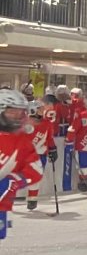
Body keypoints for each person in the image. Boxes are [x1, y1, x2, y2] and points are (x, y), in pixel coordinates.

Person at [0, 89, 41, 242]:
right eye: (12, 111)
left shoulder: (22, 140)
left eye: (20, 112)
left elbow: (35, 169)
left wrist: (16, 180)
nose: (17, 116)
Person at [24, 96, 58, 211]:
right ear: (33, 110)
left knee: (37, 177)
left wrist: (53, 149)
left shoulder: (47, 123)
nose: (43, 111)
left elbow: (49, 138)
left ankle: (32, 199)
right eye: (40, 109)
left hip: (41, 155)